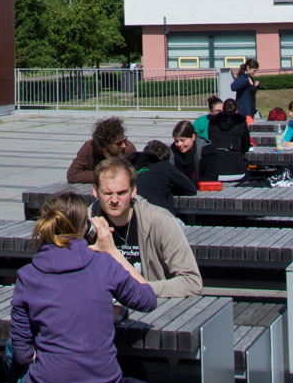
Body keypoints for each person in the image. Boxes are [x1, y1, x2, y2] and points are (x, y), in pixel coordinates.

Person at [0, 189, 182, 383]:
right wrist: (111, 250)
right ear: (85, 228)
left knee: (12, 347)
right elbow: (147, 300)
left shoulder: (28, 276)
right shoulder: (103, 265)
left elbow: (21, 354)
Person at [87, 156, 203, 297]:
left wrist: (143, 290)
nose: (115, 200)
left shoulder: (160, 221)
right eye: (108, 193)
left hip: (153, 307)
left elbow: (192, 282)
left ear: (133, 190)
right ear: (95, 191)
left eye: (122, 193)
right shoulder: (86, 222)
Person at [132, 138, 199, 215]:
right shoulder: (165, 166)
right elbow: (191, 189)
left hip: (136, 216)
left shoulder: (134, 168)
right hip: (160, 218)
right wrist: (168, 188)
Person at [65, 114, 137, 184]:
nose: (123, 145)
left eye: (124, 140)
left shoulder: (128, 148)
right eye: (118, 143)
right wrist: (104, 175)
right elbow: (72, 175)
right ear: (105, 145)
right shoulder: (89, 147)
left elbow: (137, 173)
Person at [201, 98, 250, 179]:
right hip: (237, 171)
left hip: (215, 170)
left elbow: (210, 141)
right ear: (237, 110)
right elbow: (246, 145)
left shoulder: (213, 122)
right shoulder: (241, 123)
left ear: (223, 110)